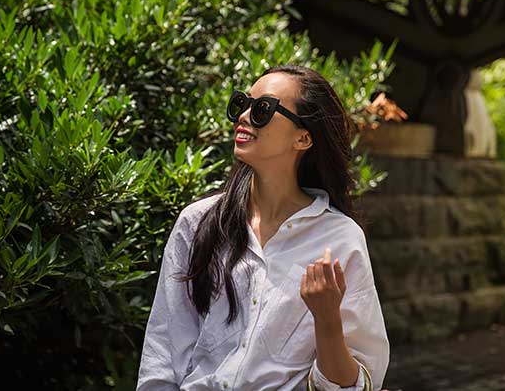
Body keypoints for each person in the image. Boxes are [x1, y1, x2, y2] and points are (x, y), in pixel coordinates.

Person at [137, 65, 390, 390]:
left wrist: (327, 320)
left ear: (303, 137)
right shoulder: (198, 223)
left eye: (262, 110)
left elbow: (355, 385)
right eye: (242, 103)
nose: (243, 116)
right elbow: (162, 353)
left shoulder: (340, 239)